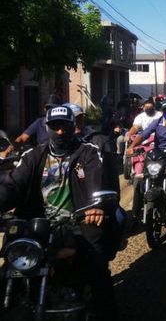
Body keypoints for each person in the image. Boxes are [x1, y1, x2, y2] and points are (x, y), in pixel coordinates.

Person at [0, 105, 120, 318]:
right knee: (10, 260)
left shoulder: (88, 153)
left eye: (64, 126)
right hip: (36, 224)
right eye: (55, 126)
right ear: (47, 128)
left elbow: (96, 179)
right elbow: (13, 184)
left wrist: (96, 206)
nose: (60, 131)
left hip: (78, 222)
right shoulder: (33, 155)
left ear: (73, 126)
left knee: (97, 268)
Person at [127, 103, 166, 224]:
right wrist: (132, 146)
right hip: (158, 151)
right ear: (162, 111)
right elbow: (144, 134)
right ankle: (135, 215)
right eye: (165, 110)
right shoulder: (157, 121)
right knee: (142, 178)